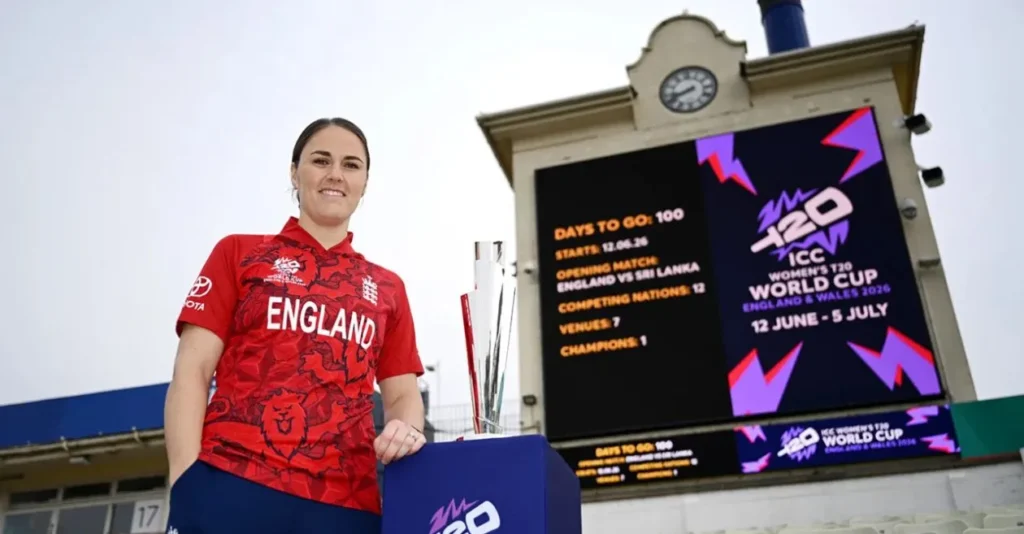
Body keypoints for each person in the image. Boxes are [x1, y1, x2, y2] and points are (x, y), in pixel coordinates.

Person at [163, 117, 426, 534]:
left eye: (351, 165)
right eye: (321, 160)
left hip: (345, 504)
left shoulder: (387, 287)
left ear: (365, 183)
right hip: (230, 481)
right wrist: (184, 479)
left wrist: (405, 429)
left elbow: (403, 396)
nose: (335, 174)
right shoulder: (238, 253)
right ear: (294, 172)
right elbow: (191, 371)